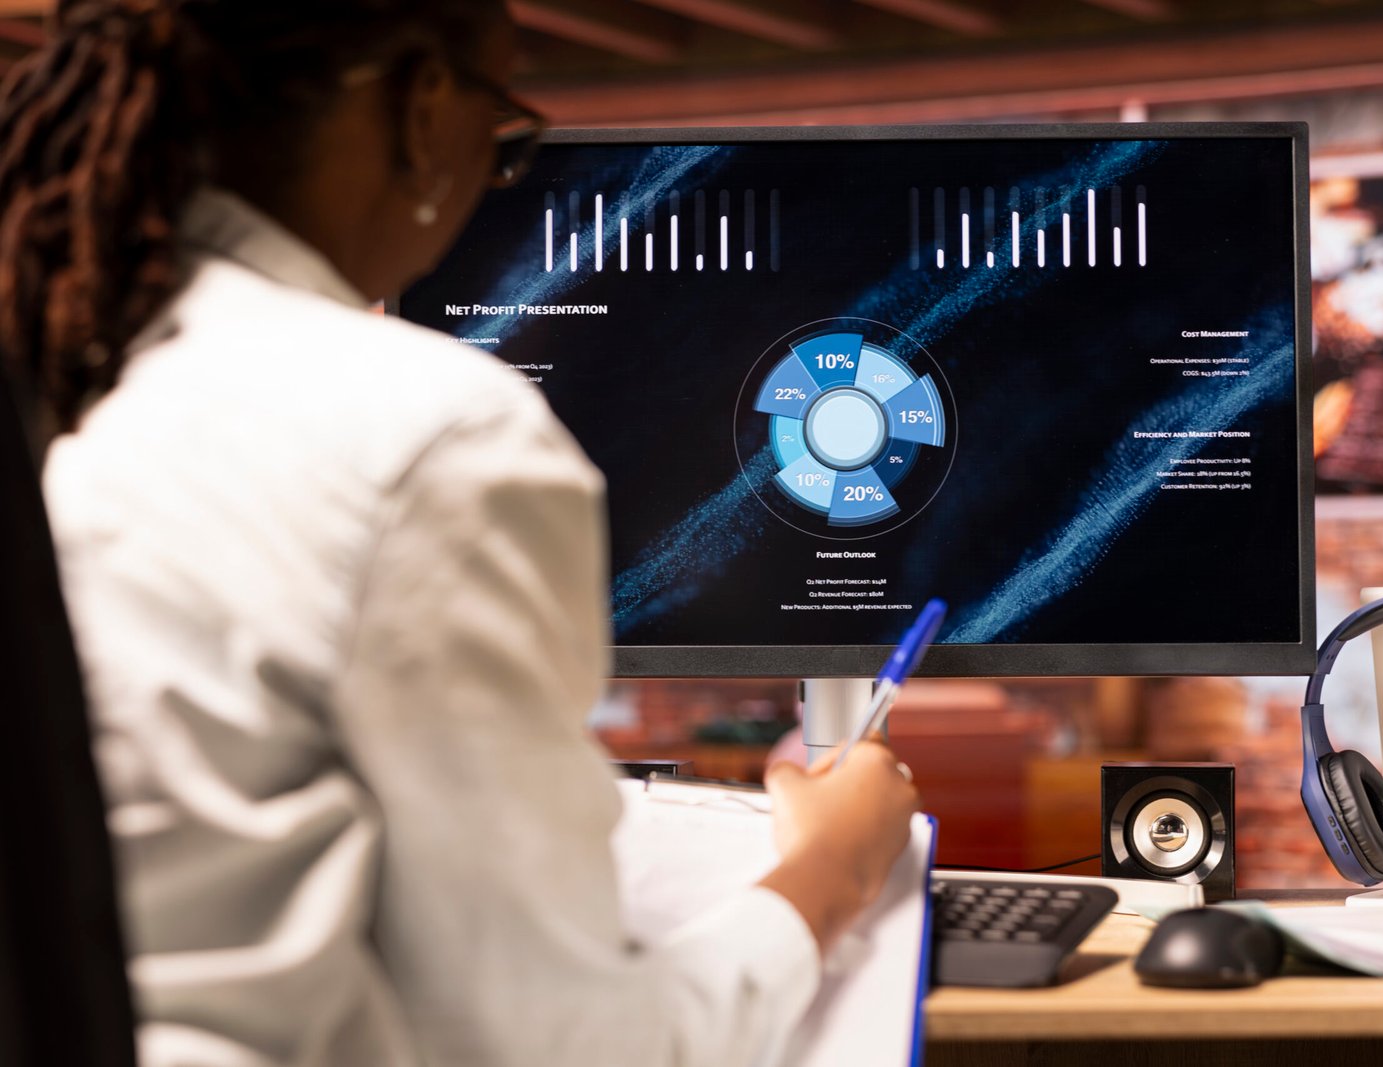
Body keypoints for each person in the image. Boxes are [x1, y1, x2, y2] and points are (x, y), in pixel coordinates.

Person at [0, 3, 921, 1065]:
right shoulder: (422, 431)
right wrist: (831, 876)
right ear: (424, 105)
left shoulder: (66, 357)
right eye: (505, 134)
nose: (494, 177)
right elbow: (570, 1050)